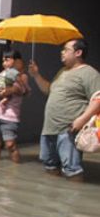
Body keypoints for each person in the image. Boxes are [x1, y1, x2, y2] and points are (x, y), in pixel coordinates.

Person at [28, 39, 100, 179]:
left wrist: (81, 120)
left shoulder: (89, 73)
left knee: (72, 171)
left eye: (66, 49)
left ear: (78, 52)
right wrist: (36, 75)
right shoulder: (62, 71)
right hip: (49, 128)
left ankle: (74, 198)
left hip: (68, 130)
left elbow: (98, 99)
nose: (62, 52)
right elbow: (48, 90)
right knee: (50, 167)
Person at [0, 50, 28, 163]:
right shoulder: (1, 74)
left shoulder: (21, 76)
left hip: (9, 115)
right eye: (3, 60)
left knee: (10, 144)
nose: (4, 62)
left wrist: (5, 92)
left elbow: (19, 90)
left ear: (17, 61)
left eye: (7, 59)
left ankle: (15, 170)